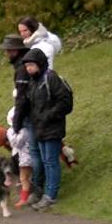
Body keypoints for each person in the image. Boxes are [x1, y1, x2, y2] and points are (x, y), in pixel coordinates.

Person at [22, 48, 72, 211]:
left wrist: (48, 116)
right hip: (40, 128)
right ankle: (44, 193)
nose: (28, 68)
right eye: (27, 65)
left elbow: (65, 103)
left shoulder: (51, 78)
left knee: (51, 162)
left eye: (31, 65)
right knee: (45, 161)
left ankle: (51, 196)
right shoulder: (34, 81)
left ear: (40, 63)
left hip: (52, 128)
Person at [0, 34, 32, 134]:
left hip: (32, 112)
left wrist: (16, 122)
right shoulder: (27, 62)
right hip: (35, 109)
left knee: (34, 148)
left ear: (15, 50)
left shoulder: (22, 68)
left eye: (8, 50)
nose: (7, 53)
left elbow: (22, 97)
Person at [5, 106, 33, 209]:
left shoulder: (22, 131)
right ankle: (26, 197)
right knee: (27, 178)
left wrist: (11, 134)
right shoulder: (28, 128)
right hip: (26, 156)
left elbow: (15, 143)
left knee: (23, 178)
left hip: (25, 158)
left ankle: (24, 199)